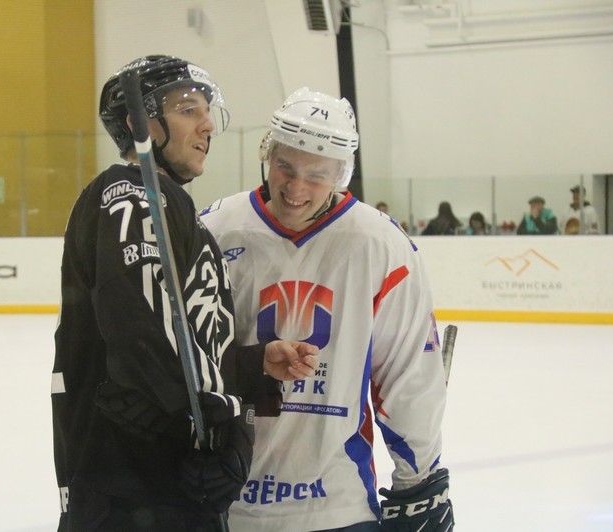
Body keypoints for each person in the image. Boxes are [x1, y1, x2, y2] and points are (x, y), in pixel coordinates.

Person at [51, 56, 320, 531]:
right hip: (134, 491)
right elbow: (142, 333)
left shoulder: (161, 201)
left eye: (207, 111)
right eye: (188, 110)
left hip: (157, 487)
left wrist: (250, 365)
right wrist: (223, 420)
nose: (208, 125)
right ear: (140, 123)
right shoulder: (132, 197)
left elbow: (173, 337)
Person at [201, 88, 453, 531]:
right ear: (267, 154)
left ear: (342, 174)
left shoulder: (381, 245)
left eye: (317, 175)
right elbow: (184, 360)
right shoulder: (216, 229)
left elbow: (408, 374)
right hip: (225, 502)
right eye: (285, 166)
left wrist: (419, 482)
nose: (296, 188)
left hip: (338, 506)